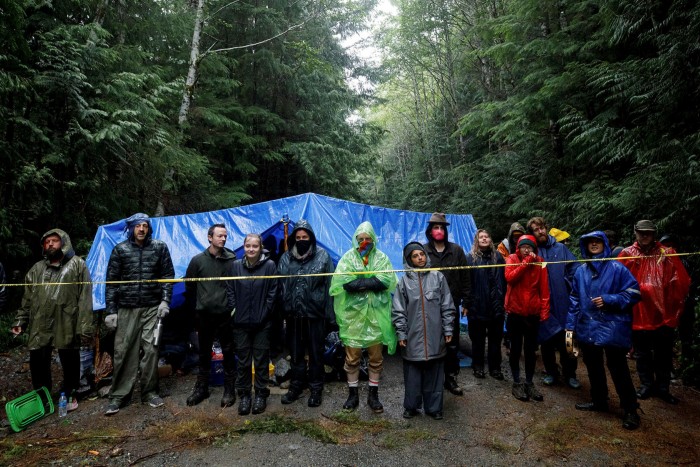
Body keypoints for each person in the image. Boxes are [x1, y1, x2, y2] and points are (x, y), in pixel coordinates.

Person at [11, 229, 93, 411]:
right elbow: (27, 299)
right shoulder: (37, 269)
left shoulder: (78, 265)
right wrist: (20, 322)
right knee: (38, 359)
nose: (50, 244)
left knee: (69, 356)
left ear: (64, 242)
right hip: (40, 321)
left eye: (54, 241)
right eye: (47, 242)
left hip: (67, 319)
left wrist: (85, 327)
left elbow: (85, 299)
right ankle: (42, 397)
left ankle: (70, 392)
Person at [567, 231, 642, 430]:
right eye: (589, 242)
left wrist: (610, 299)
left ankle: (631, 410)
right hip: (587, 326)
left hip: (612, 326)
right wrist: (570, 326)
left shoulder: (618, 268)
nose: (593, 244)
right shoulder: (581, 271)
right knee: (593, 366)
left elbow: (634, 293)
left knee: (618, 369)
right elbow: (574, 299)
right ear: (584, 246)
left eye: (597, 241)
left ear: (605, 244)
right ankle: (599, 401)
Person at [104, 213, 175, 415]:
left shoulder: (159, 247)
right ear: (132, 229)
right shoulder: (120, 250)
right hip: (126, 308)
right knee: (124, 351)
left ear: (149, 228)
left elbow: (168, 276)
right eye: (138, 226)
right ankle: (118, 396)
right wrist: (111, 311)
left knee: (151, 350)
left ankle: (150, 393)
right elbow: (111, 283)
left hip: (152, 307)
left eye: (145, 226)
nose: (141, 229)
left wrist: (165, 301)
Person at [618, 220, 690, 404]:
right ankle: (646, 385)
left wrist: (673, 308)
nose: (644, 236)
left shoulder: (667, 253)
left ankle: (663, 388)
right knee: (642, 352)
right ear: (635, 232)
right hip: (639, 312)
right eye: (641, 232)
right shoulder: (627, 253)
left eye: (648, 233)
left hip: (662, 314)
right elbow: (619, 281)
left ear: (654, 234)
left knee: (663, 353)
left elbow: (680, 282)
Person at [330, 221, 398, 413]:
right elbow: (344, 283)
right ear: (355, 240)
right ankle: (353, 395)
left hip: (377, 316)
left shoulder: (382, 258)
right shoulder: (348, 258)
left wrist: (359, 281)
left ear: (373, 239)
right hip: (353, 317)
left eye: (368, 239)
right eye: (361, 239)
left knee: (376, 358)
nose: (365, 242)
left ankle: (373, 395)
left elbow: (385, 281)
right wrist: (370, 281)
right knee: (352, 359)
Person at [392, 242, 455, 420]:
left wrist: (448, 328)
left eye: (422, 254)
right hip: (413, 338)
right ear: (409, 260)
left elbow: (447, 306)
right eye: (415, 255)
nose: (420, 258)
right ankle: (411, 406)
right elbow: (398, 310)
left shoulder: (438, 277)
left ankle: (434, 408)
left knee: (435, 374)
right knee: (412, 375)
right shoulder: (403, 282)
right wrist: (401, 333)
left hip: (435, 337)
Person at [277, 220, 334, 407]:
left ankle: (316, 388)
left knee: (316, 354)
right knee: (295, 353)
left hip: (315, 315)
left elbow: (329, 287)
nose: (301, 240)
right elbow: (279, 286)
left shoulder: (323, 256)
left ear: (311, 238)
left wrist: (329, 315)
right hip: (293, 315)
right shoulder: (286, 258)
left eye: (305, 237)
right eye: (298, 237)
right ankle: (296, 385)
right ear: (294, 238)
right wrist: (282, 310)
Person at [184, 224, 237, 407]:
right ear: (209, 237)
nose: (223, 239)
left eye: (225, 236)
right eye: (219, 236)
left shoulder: (231, 260)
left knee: (229, 351)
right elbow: (189, 287)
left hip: (225, 315)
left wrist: (232, 309)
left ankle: (230, 389)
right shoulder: (198, 261)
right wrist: (196, 311)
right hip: (204, 315)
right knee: (204, 352)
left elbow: (235, 286)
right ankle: (202, 388)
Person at [227, 233, 278, 415]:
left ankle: (261, 395)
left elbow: (273, 292)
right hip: (240, 323)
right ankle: (245, 395)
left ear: (260, 247)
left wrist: (265, 313)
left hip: (262, 323)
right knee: (243, 361)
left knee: (262, 360)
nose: (251, 249)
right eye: (248, 246)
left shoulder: (269, 266)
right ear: (244, 247)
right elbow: (230, 291)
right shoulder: (235, 266)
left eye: (255, 246)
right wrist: (234, 311)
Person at [527, 217, 580, 389]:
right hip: (544, 306)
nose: (540, 231)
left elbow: (575, 270)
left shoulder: (561, 248)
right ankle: (551, 372)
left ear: (546, 228)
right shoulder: (533, 252)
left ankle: (571, 374)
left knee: (569, 342)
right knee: (547, 342)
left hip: (564, 304)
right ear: (532, 233)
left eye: (542, 228)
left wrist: (569, 286)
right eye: (536, 229)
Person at [423, 212, 470, 396]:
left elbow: (465, 278)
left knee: (452, 343)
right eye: (436, 227)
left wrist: (466, 301)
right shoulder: (423, 251)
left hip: (451, 305)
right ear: (430, 230)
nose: (439, 230)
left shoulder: (456, 251)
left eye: (442, 227)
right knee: (432, 341)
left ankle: (450, 377)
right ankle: (433, 378)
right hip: (429, 306)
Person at [504, 235, 550, 402]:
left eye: (529, 247)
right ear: (518, 247)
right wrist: (524, 264)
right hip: (514, 312)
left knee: (531, 350)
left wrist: (544, 311)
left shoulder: (540, 262)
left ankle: (529, 382)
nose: (526, 250)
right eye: (523, 247)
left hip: (532, 313)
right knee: (515, 348)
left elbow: (544, 288)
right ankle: (516, 382)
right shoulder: (511, 258)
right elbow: (510, 278)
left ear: (534, 248)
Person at [465, 229, 506, 380]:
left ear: (490, 239)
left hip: (496, 306)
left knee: (496, 340)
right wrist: (467, 304)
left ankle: (495, 368)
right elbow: (467, 283)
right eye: (480, 237)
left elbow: (504, 281)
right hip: (477, 306)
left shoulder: (499, 257)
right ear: (476, 240)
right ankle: (478, 366)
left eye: (486, 236)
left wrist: (503, 301)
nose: (484, 239)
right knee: (477, 340)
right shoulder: (470, 258)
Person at [659, 234, 697, 379]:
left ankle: (687, 369)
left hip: (685, 305)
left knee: (686, 336)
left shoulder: (686, 262)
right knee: (665, 339)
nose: (669, 249)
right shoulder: (658, 264)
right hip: (667, 308)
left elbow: (691, 283)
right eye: (666, 246)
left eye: (672, 245)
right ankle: (668, 369)